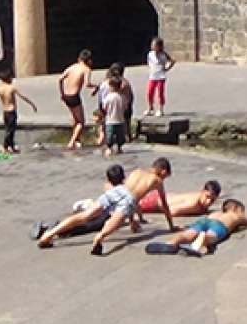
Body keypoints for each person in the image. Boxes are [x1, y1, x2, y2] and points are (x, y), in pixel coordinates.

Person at [37, 157, 177, 255]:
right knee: (115, 221)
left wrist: (134, 220)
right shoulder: (157, 181)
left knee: (85, 215)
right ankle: (100, 236)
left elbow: (130, 193)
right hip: (129, 199)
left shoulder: (137, 171)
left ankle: (50, 234)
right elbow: (163, 204)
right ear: (163, 171)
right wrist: (171, 226)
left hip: (118, 190)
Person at [145, 198, 247, 256]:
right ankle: (201, 241)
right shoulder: (235, 215)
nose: (243, 213)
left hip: (205, 221)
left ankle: (172, 243)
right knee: (210, 236)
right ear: (235, 208)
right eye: (242, 210)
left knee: (188, 234)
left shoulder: (216, 213)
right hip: (219, 226)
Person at [0, 70, 38, 154]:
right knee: (10, 131)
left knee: (9, 130)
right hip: (11, 112)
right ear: (9, 78)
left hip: (5, 113)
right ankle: (5, 147)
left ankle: (11, 147)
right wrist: (32, 104)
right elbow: (23, 97)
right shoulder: (11, 88)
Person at [58, 49, 96, 149]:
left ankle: (77, 140)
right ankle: (71, 142)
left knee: (75, 119)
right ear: (88, 60)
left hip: (66, 95)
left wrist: (62, 93)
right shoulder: (86, 69)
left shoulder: (72, 67)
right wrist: (97, 86)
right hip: (74, 96)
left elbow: (60, 79)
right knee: (81, 122)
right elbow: (87, 84)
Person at [137, 180, 221, 220]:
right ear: (202, 191)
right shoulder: (194, 204)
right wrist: (195, 211)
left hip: (159, 197)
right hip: (154, 202)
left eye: (212, 200)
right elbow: (172, 211)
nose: (209, 202)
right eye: (207, 197)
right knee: (127, 206)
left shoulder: (199, 198)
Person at [145, 37, 175, 116]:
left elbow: (172, 61)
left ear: (159, 46)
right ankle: (150, 107)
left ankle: (160, 109)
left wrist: (167, 68)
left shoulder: (163, 54)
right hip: (152, 76)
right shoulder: (150, 54)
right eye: (152, 45)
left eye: (154, 45)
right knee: (149, 93)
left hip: (161, 77)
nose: (152, 46)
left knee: (160, 93)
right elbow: (149, 62)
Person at [101, 75, 128, 158]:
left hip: (110, 120)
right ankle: (119, 147)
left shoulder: (108, 97)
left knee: (110, 135)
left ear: (111, 86)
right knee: (120, 136)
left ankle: (109, 147)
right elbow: (125, 107)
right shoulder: (122, 97)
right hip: (120, 120)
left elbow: (104, 107)